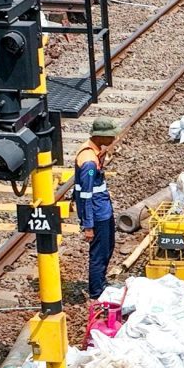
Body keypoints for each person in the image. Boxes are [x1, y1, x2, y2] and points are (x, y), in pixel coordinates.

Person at [73, 118, 118, 300]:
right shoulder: (89, 164)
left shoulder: (93, 150)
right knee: (99, 253)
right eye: (110, 136)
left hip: (103, 209)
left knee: (107, 248)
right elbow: (86, 194)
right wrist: (88, 225)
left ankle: (100, 283)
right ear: (100, 137)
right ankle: (97, 292)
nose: (114, 138)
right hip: (98, 214)